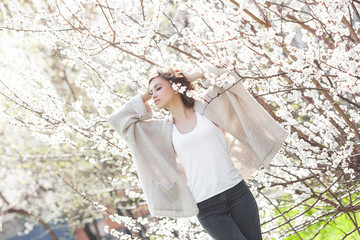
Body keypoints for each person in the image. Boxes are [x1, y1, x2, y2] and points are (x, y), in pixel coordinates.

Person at [107, 63, 289, 240]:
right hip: (208, 208)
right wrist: (147, 94)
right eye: (151, 92)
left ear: (175, 86)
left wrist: (185, 78)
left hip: (238, 193)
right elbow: (118, 120)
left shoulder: (208, 106)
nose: (153, 94)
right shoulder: (162, 129)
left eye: (158, 88)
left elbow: (225, 72)